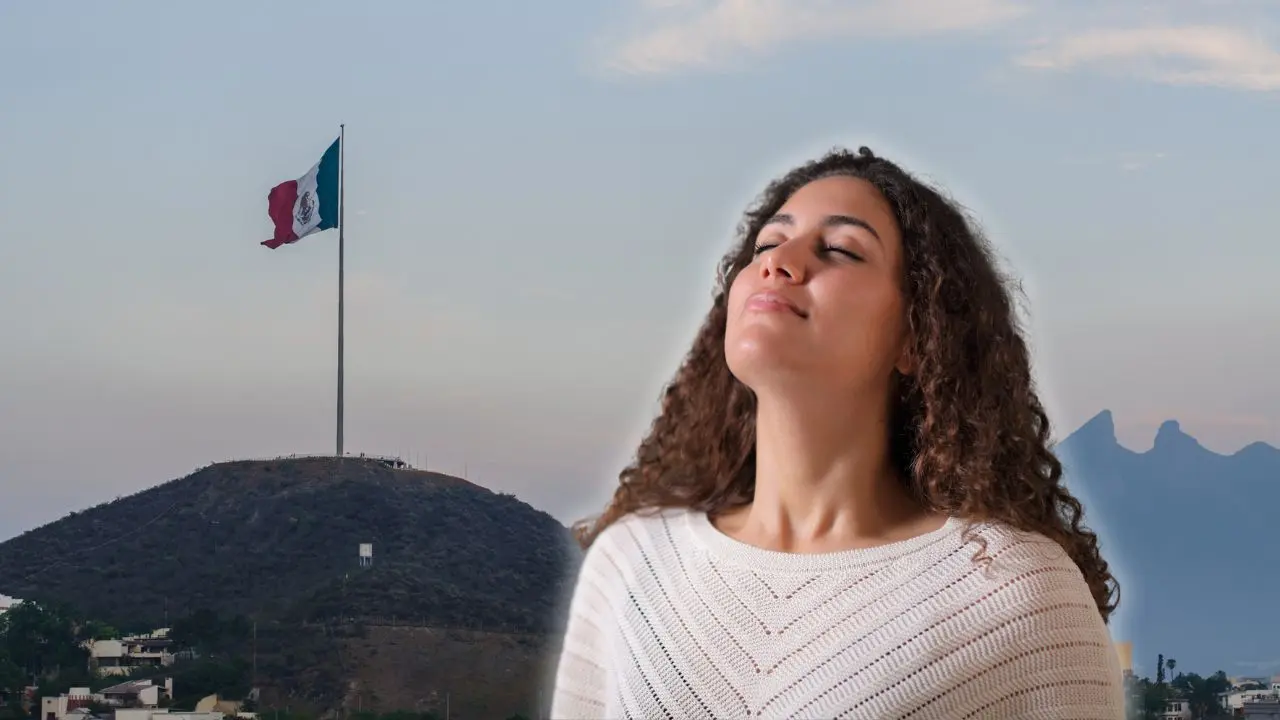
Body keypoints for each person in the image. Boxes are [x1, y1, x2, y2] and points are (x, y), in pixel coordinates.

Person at [550, 147, 1125, 718]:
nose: (781, 262)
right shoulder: (631, 564)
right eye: (767, 245)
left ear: (916, 336)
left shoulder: (1019, 594)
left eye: (841, 250)